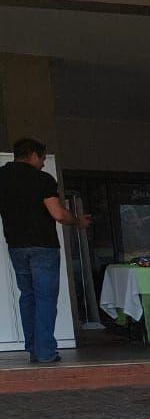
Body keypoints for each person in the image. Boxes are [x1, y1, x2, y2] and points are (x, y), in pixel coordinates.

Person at [1, 137, 90, 364]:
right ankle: (45, 352)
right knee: (45, 299)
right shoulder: (42, 179)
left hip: (16, 246)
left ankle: (33, 348)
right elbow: (58, 214)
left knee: (27, 296)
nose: (42, 163)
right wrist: (77, 221)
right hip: (43, 246)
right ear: (32, 154)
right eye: (41, 158)